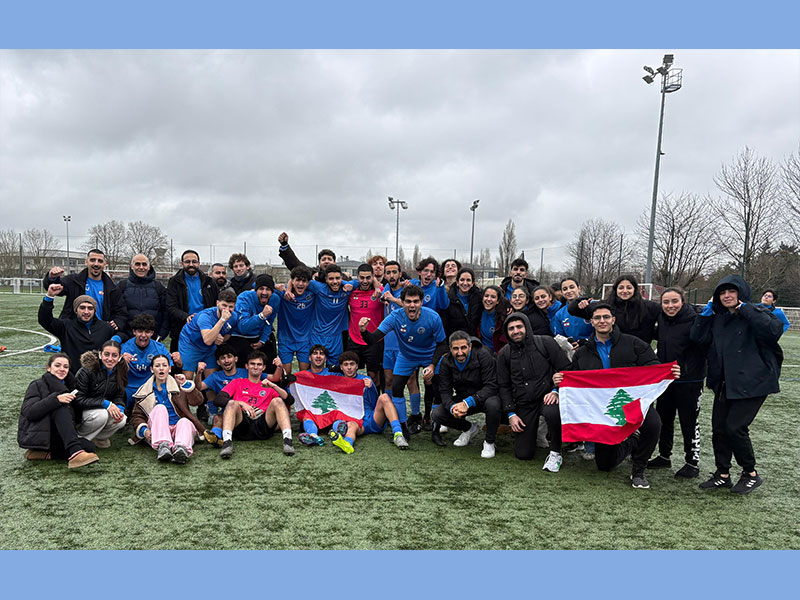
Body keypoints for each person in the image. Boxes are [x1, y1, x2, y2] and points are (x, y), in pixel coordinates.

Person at [551, 303, 680, 489]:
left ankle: (639, 469)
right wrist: (560, 379)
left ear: (613, 320)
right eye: (597, 318)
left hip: (632, 403)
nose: (602, 321)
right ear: (591, 322)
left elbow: (653, 367)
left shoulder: (634, 343)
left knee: (653, 424)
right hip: (601, 410)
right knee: (605, 465)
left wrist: (667, 372)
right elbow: (573, 376)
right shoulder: (583, 353)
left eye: (606, 317)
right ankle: (633, 441)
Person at [691, 275, 783, 495]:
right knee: (719, 429)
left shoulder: (759, 312)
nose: (726, 296)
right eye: (722, 292)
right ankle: (722, 474)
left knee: (735, 428)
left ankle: (750, 473)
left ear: (741, 293)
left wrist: (746, 309)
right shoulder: (719, 319)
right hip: (725, 383)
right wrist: (706, 313)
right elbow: (698, 338)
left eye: (731, 291)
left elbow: (773, 331)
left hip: (754, 382)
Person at [360, 284, 448, 438]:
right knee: (396, 387)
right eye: (408, 301)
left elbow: (443, 344)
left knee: (437, 390)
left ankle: (436, 431)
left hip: (429, 355)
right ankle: (403, 428)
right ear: (402, 302)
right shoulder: (395, 317)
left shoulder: (433, 317)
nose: (412, 305)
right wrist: (363, 331)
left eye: (416, 301)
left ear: (421, 302)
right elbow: (373, 339)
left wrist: (432, 365)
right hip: (407, 356)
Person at [647, 287, 706, 479]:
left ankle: (692, 462)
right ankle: (664, 456)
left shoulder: (695, 319)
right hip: (666, 380)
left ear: (683, 301)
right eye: (666, 302)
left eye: (675, 301)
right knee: (664, 419)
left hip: (690, 381)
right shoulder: (662, 319)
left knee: (689, 421)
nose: (670, 306)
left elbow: (705, 345)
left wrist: (687, 369)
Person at [496, 313, 570, 465]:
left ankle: (556, 450)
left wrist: (556, 390)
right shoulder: (504, 354)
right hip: (524, 403)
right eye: (511, 329)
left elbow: (567, 369)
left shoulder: (545, 342)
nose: (516, 331)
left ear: (527, 327)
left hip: (547, 397)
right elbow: (504, 386)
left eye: (519, 327)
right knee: (523, 454)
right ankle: (534, 437)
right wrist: (511, 413)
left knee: (553, 412)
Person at [17, 353, 100, 469]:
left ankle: (42, 454)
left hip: (59, 435)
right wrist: (55, 399)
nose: (62, 369)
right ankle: (75, 452)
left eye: (66, 367)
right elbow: (30, 413)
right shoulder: (37, 384)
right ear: (48, 368)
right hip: (40, 435)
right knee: (60, 406)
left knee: (89, 447)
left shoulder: (71, 386)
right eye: (57, 365)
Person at [213, 351, 295, 458]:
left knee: (278, 401)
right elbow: (218, 400)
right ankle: (227, 443)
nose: (255, 367)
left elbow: (290, 400)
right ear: (247, 366)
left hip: (263, 425)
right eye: (252, 364)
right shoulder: (237, 382)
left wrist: (273, 386)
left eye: (259, 364)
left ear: (264, 367)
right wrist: (241, 403)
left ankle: (288, 441)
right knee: (232, 403)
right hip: (242, 425)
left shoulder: (268, 386)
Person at [322, 351, 408, 453]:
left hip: (370, 419)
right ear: (341, 367)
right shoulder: (337, 381)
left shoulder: (365, 380)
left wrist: (371, 388)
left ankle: (398, 434)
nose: (349, 367)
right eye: (346, 364)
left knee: (384, 397)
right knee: (350, 425)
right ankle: (347, 443)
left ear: (357, 366)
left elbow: (374, 403)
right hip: (353, 421)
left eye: (352, 364)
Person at [433, 331, 501, 457]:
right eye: (456, 349)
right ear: (450, 349)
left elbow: (492, 386)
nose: (460, 352)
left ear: (470, 346)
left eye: (463, 347)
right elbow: (445, 391)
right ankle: (469, 428)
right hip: (463, 397)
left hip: (485, 397)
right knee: (437, 414)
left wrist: (468, 402)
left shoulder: (483, 355)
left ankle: (489, 442)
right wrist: (452, 407)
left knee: (493, 405)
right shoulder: (446, 361)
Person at [130, 354, 206, 463]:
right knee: (160, 408)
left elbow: (197, 401)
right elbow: (137, 416)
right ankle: (163, 446)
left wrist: (185, 384)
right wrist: (144, 430)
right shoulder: (144, 390)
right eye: (157, 366)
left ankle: (181, 449)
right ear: (152, 369)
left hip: (178, 429)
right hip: (157, 430)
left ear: (169, 368)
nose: (161, 368)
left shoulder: (179, 385)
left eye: (164, 365)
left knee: (185, 421)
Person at [43, 248, 128, 332]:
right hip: (74, 332)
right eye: (92, 260)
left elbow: (121, 311)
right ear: (86, 262)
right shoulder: (74, 281)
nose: (96, 264)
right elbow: (54, 287)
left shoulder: (112, 288)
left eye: (100, 261)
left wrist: (118, 322)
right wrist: (52, 278)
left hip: (99, 332)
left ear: (104, 264)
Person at [39, 287, 115, 374]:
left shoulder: (105, 328)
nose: (86, 312)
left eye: (90, 308)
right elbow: (45, 320)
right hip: (72, 376)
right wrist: (49, 297)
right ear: (76, 310)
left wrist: (117, 337)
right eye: (82, 308)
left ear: (94, 311)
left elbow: (123, 334)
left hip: (98, 377)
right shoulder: (65, 326)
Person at [569, 274, 660, 343]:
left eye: (629, 288)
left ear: (635, 289)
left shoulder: (650, 307)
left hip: (641, 354)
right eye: (621, 288)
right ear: (615, 289)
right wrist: (582, 300)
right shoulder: (604, 306)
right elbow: (572, 309)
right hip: (612, 353)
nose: (625, 291)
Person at [73, 340, 129, 448]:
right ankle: (79, 438)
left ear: (120, 357)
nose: (110, 359)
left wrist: (120, 408)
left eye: (114, 355)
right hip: (83, 411)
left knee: (122, 419)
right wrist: (104, 403)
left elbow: (119, 395)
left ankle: (98, 438)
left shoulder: (121, 370)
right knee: (101, 415)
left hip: (102, 408)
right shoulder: (86, 370)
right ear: (100, 354)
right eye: (106, 354)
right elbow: (78, 400)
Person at [177, 288, 239, 379]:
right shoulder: (205, 316)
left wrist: (219, 339)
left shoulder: (234, 317)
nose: (227, 310)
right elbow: (208, 340)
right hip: (191, 343)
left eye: (231, 307)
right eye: (224, 305)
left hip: (209, 347)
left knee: (211, 378)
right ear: (217, 303)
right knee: (187, 378)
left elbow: (226, 336)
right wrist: (222, 320)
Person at [166, 249, 219, 352]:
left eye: (194, 262)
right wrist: (186, 317)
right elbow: (171, 306)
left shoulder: (209, 282)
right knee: (180, 361)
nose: (191, 264)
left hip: (205, 330)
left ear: (199, 263)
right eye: (187, 262)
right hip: (182, 330)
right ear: (182, 263)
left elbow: (217, 305)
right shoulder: (174, 282)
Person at [300, 264, 354, 365]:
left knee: (334, 369)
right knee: (315, 368)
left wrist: (344, 283)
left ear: (341, 278)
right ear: (326, 279)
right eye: (331, 279)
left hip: (336, 337)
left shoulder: (347, 288)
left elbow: (364, 280)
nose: (335, 282)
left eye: (337, 278)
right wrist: (288, 289)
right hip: (317, 335)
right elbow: (297, 279)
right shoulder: (319, 288)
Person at [120, 313, 173, 412]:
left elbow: (169, 368)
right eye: (140, 331)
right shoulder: (125, 348)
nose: (143, 335)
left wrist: (178, 362)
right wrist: (120, 360)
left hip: (150, 389)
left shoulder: (159, 348)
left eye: (147, 332)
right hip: (128, 389)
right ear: (134, 332)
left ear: (152, 333)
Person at [230, 273, 280, 369]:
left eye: (268, 289)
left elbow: (269, 322)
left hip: (258, 335)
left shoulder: (275, 299)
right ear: (255, 290)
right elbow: (243, 327)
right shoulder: (244, 298)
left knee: (271, 363)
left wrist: (262, 340)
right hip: (240, 335)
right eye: (261, 289)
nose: (264, 292)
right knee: (244, 365)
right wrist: (261, 316)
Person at [116, 254, 170, 341]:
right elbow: (116, 311)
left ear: (149, 267)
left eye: (144, 264)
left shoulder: (158, 287)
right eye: (137, 264)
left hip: (152, 339)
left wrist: (161, 335)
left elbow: (166, 312)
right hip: (127, 339)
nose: (141, 267)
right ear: (132, 266)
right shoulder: (122, 286)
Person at [346, 263, 384, 384]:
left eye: (368, 277)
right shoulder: (352, 293)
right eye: (362, 278)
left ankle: (374, 395)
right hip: (355, 339)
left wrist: (378, 287)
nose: (365, 281)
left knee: (373, 375)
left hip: (374, 340)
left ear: (373, 277)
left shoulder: (380, 293)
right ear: (357, 277)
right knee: (349, 372)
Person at [275, 265, 316, 375]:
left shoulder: (312, 294)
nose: (301, 284)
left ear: (308, 283)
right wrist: (277, 286)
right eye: (297, 280)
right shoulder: (283, 293)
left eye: (304, 281)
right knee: (286, 374)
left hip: (305, 340)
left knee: (304, 374)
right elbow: (257, 284)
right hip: (285, 339)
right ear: (292, 281)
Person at [443, 267, 482, 338]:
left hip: (473, 339)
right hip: (455, 340)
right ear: (457, 282)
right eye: (462, 280)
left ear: (472, 283)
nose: (465, 283)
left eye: (468, 280)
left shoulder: (479, 298)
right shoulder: (448, 298)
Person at [552, 277, 593, 343]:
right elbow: (559, 338)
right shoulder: (559, 314)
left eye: (572, 287)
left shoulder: (592, 305)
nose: (569, 291)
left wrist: (586, 342)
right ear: (562, 293)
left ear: (579, 288)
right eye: (565, 289)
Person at [477, 285, 510, 354]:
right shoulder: (479, 312)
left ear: (498, 301)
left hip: (498, 354)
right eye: (486, 296)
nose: (489, 299)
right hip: (482, 353)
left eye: (493, 297)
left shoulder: (503, 317)